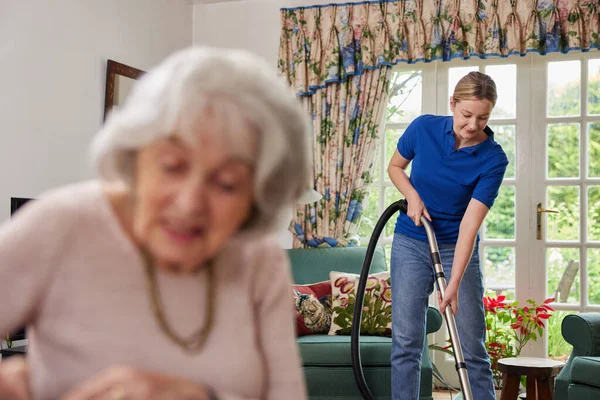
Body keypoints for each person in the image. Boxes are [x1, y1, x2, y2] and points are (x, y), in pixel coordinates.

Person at [0, 46, 311, 400]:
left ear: (257, 199)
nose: (190, 202)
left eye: (227, 183)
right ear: (134, 158)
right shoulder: (62, 224)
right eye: (172, 165)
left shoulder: (260, 260)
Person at [387, 71, 508, 400]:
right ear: (453, 104)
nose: (473, 125)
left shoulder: (493, 158)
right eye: (466, 115)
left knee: (471, 343)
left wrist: (453, 283)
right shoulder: (423, 128)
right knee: (406, 342)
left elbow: (470, 224)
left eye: (482, 118)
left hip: (457, 246)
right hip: (412, 241)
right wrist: (412, 195)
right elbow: (395, 167)